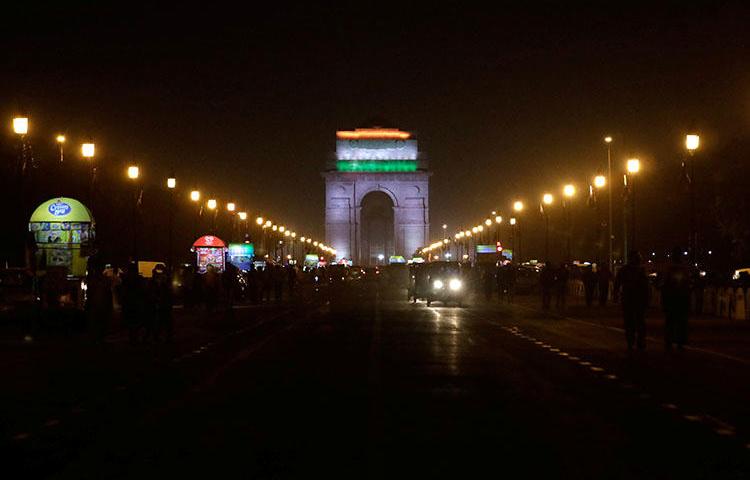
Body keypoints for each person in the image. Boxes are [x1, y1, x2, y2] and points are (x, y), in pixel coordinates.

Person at [614, 251, 649, 350]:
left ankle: (635, 340)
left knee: (635, 322)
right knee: (634, 321)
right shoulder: (630, 270)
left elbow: (645, 287)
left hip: (634, 300)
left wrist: (616, 295)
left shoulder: (637, 270)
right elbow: (617, 283)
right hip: (631, 299)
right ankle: (634, 340)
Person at [660, 248, 692, 351]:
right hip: (677, 298)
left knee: (673, 321)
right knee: (676, 321)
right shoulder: (679, 268)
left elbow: (687, 283)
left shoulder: (675, 268)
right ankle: (676, 341)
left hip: (675, 298)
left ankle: (674, 341)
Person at [85, 255, 113, 343]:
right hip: (99, 307)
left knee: (97, 325)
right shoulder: (102, 280)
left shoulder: (95, 280)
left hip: (97, 307)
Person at [121, 262, 145, 345]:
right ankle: (134, 338)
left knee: (132, 322)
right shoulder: (138, 279)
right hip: (135, 303)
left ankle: (133, 337)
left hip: (131, 303)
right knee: (135, 322)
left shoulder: (127, 279)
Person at [148, 264, 173, 342]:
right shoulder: (153, 281)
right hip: (156, 303)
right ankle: (156, 335)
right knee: (157, 321)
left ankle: (165, 335)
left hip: (164, 303)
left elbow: (169, 291)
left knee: (164, 320)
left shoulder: (166, 281)